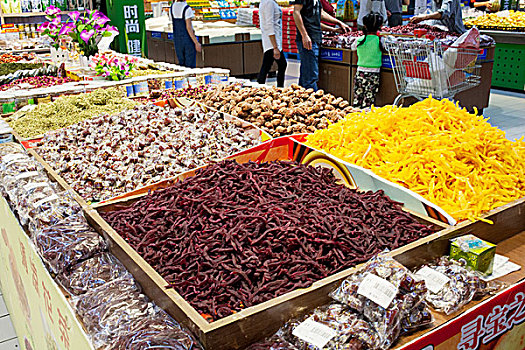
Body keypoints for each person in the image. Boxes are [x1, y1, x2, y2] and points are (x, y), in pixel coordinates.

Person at [293, 0, 350, 90]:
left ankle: (302, 99)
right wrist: (304, 35)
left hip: (315, 38)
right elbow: (296, 12)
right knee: (310, 77)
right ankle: (311, 101)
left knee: (307, 74)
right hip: (309, 40)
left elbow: (320, 14)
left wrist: (337, 24)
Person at [351, 12, 383, 109]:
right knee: (368, 101)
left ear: (364, 26)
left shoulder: (359, 40)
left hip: (360, 73)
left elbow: (353, 48)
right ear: (380, 26)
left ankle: (354, 118)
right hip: (374, 75)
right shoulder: (380, 40)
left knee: (357, 99)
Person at [257, 0, 287, 87]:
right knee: (281, 65)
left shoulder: (268, 2)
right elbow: (269, 24)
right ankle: (279, 89)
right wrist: (275, 47)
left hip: (272, 40)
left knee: (267, 66)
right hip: (271, 42)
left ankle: (260, 87)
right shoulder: (268, 2)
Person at [170, 0, 202, 68]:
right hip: (188, 40)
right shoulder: (187, 8)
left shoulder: (172, 7)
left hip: (177, 40)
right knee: (190, 66)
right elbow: (189, 27)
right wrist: (196, 43)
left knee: (181, 64)